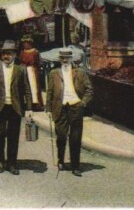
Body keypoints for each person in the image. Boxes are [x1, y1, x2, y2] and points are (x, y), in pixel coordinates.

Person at [0, 40, 33, 175]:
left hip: (15, 107)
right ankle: (0, 161)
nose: (7, 56)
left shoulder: (20, 69)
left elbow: (27, 90)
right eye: (5, 53)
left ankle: (12, 163)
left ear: (15, 55)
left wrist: (29, 108)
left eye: (10, 53)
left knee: (13, 136)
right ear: (1, 55)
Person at [46, 47, 93, 177]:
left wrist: (82, 103)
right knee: (61, 136)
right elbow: (50, 91)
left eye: (67, 57)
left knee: (75, 138)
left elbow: (89, 90)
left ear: (71, 59)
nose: (65, 60)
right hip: (60, 107)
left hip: (75, 107)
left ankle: (75, 166)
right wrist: (48, 109)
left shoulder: (80, 73)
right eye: (63, 58)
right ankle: (61, 160)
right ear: (59, 59)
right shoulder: (54, 73)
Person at [18, 34, 43, 111]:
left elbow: (39, 62)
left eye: (27, 42)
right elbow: (20, 61)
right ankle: (28, 103)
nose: (25, 44)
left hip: (33, 70)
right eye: (24, 43)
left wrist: (37, 68)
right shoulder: (22, 52)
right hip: (24, 70)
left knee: (34, 87)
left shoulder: (35, 52)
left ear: (30, 43)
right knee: (26, 86)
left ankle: (37, 104)